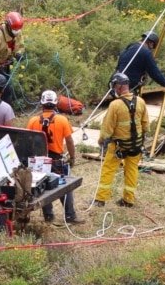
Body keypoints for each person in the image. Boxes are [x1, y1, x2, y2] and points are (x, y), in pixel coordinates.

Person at [91, 72, 148, 209]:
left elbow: (108, 128)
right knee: (132, 171)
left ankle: (100, 199)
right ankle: (128, 200)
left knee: (108, 170)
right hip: (136, 146)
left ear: (118, 86)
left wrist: (101, 141)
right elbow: (145, 124)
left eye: (114, 85)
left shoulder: (115, 105)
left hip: (118, 147)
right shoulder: (140, 101)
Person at [27, 90, 82, 225]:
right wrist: (73, 157)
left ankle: (49, 216)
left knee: (43, 187)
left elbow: (27, 139)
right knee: (65, 187)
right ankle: (70, 215)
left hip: (39, 160)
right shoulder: (62, 120)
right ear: (56, 104)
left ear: (42, 103)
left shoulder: (33, 121)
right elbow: (69, 141)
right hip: (56, 159)